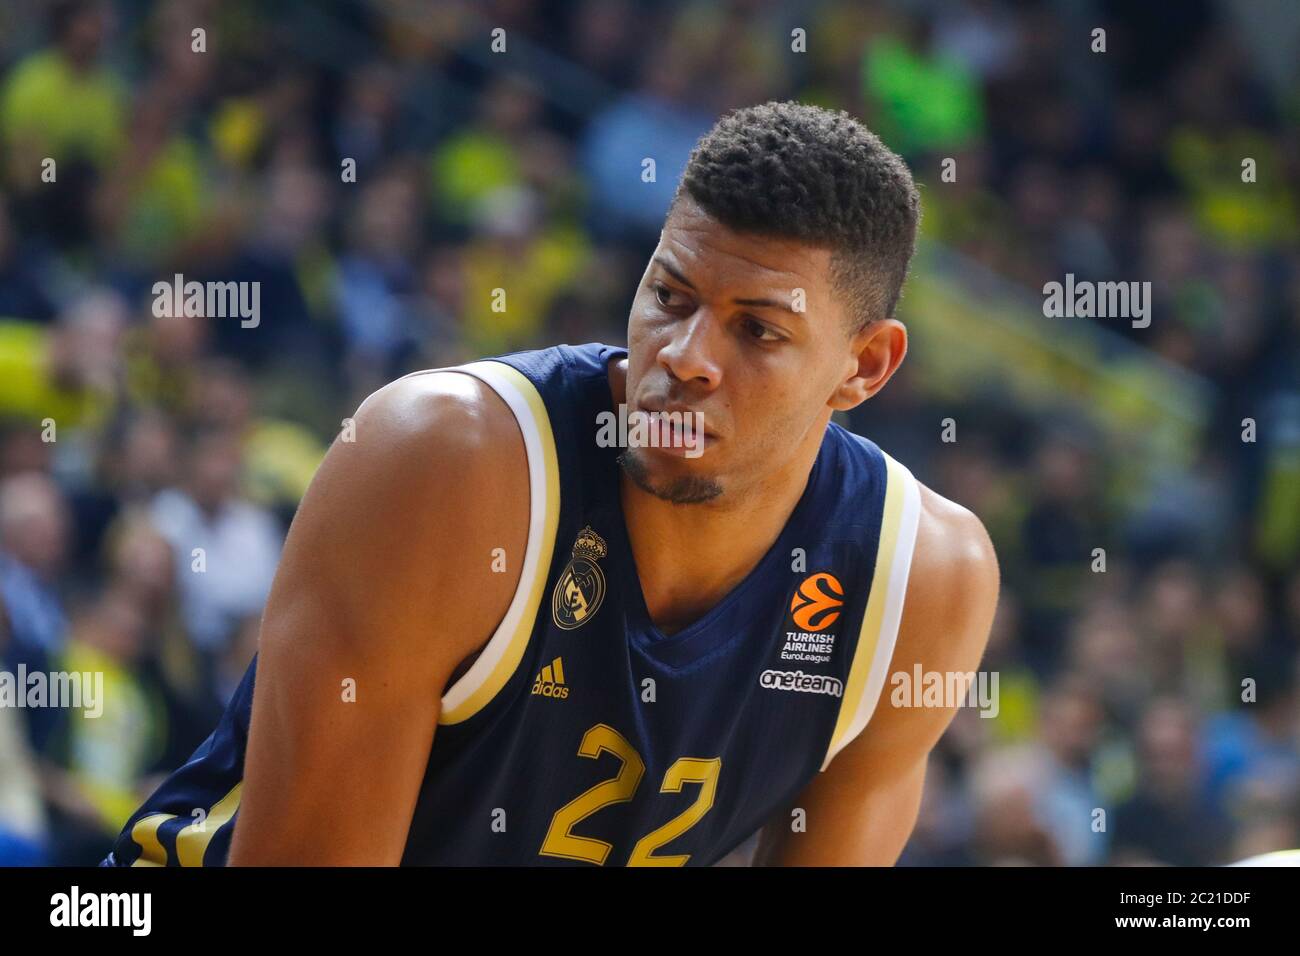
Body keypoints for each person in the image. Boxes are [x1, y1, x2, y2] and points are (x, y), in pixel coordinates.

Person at [102, 101, 999, 867]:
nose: (685, 360)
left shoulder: (920, 579)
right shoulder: (445, 461)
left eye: (757, 332)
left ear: (866, 367)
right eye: (670, 297)